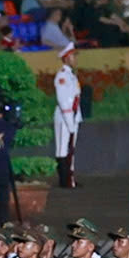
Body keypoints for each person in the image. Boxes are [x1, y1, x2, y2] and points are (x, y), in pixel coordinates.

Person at [53, 43, 81, 188]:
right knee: (63, 148)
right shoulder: (62, 76)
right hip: (65, 118)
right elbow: (64, 101)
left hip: (73, 116)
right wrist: (70, 122)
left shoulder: (71, 75)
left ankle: (70, 179)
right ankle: (64, 180)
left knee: (70, 149)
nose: (75, 58)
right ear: (66, 58)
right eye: (72, 56)